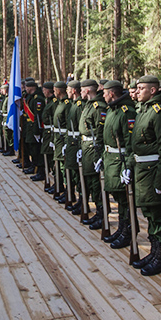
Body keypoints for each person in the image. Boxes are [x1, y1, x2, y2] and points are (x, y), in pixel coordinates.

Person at [131, 75, 161, 275]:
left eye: (141, 88)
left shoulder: (159, 112)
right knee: (149, 214)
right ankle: (154, 252)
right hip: (142, 172)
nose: (137, 91)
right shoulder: (144, 111)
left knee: (159, 216)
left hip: (154, 171)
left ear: (153, 90)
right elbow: (136, 145)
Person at [101, 80, 136, 249]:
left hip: (120, 161)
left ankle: (128, 231)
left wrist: (128, 166)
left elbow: (130, 143)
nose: (103, 95)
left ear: (112, 93)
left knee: (124, 200)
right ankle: (122, 228)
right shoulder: (112, 110)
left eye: (105, 93)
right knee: (118, 198)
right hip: (110, 160)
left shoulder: (126, 112)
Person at [78, 80, 105, 226]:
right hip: (86, 145)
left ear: (87, 90)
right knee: (89, 180)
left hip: (94, 148)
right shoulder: (88, 105)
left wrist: (98, 154)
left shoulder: (98, 107)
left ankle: (102, 214)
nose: (80, 92)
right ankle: (97, 212)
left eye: (82, 89)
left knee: (96, 183)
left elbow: (100, 132)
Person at [64, 80, 83, 211]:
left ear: (74, 91)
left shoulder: (80, 105)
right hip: (71, 142)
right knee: (74, 173)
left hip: (77, 144)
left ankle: (83, 201)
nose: (67, 92)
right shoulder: (72, 104)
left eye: (68, 89)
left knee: (79, 174)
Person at [50, 81, 71, 198]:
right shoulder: (59, 103)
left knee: (63, 166)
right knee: (57, 163)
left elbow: (69, 123)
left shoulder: (66, 104)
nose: (53, 92)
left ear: (58, 90)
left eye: (54, 90)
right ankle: (59, 186)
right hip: (58, 138)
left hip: (63, 139)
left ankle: (68, 191)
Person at [22, 79, 46, 177]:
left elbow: (37, 116)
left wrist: (37, 131)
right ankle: (33, 165)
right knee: (31, 148)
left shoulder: (38, 99)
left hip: (34, 128)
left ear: (31, 87)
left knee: (36, 150)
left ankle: (40, 170)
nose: (25, 89)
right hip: (29, 128)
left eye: (27, 87)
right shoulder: (30, 97)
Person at [36, 82, 55, 184]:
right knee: (45, 155)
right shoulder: (48, 101)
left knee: (50, 158)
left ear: (48, 90)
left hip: (51, 133)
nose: (43, 92)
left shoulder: (53, 102)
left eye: (44, 90)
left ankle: (57, 183)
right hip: (46, 132)